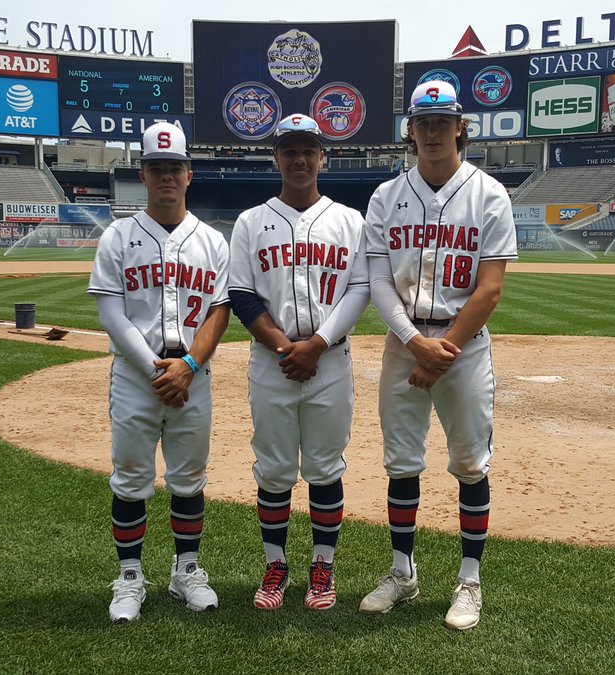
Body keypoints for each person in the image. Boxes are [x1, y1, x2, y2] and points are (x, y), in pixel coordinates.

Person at [359, 81, 518, 631]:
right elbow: (379, 282)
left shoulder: (489, 194)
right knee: (401, 462)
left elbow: (490, 289)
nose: (431, 132)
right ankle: (403, 572)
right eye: (422, 123)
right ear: (412, 131)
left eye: (441, 121)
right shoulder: (386, 196)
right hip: (405, 343)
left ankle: (469, 581)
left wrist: (440, 350)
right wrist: (414, 344)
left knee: (471, 464)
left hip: (464, 351)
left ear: (459, 128)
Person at [87, 122, 231, 623]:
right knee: (131, 478)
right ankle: (129, 577)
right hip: (136, 375)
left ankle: (186, 569)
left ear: (189, 174)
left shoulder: (212, 240)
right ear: (143, 175)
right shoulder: (118, 236)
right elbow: (111, 314)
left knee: (189, 479)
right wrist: (158, 370)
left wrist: (188, 366)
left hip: (194, 375)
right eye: (156, 168)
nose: (166, 176)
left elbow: (219, 310)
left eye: (174, 168)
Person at [227, 114, 370, 611]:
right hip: (272, 363)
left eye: (308, 149)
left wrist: (318, 343)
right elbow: (242, 295)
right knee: (273, 470)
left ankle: (323, 565)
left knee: (326, 469)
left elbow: (361, 288)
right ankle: (276, 564)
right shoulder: (251, 222)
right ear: (276, 158)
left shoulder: (350, 220)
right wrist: (285, 347)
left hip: (330, 360)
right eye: (289, 150)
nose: (300, 159)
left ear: (322, 157)